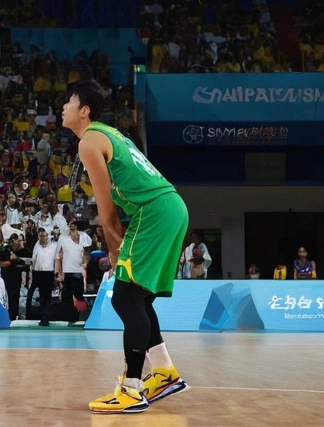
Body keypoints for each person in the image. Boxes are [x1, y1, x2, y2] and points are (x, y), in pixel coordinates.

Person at [66, 80, 190, 414]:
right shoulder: (110, 133)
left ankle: (133, 389)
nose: (64, 107)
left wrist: (114, 249)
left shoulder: (89, 141)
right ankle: (163, 372)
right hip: (170, 206)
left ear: (84, 110)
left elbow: (106, 212)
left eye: (70, 101)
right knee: (137, 296)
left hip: (154, 211)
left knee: (124, 296)